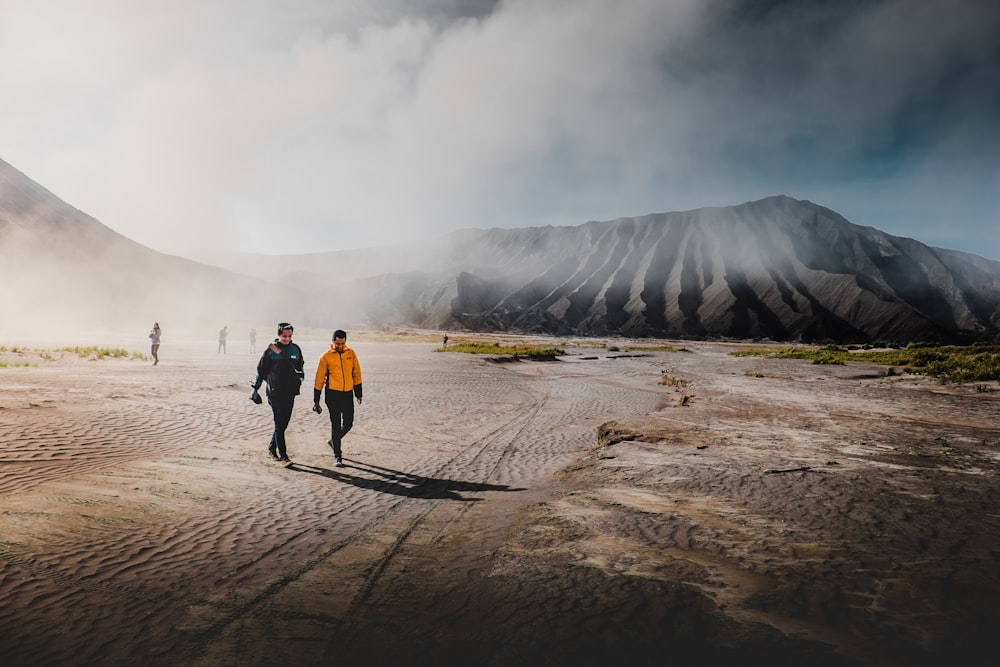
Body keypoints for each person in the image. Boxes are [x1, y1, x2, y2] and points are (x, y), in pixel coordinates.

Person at [251, 322, 305, 465]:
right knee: (279, 423)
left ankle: (271, 448)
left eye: (289, 336)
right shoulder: (271, 351)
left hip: (290, 392)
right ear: (278, 335)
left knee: (283, 424)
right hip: (274, 392)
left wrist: (300, 378)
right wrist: (255, 388)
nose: (286, 338)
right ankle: (284, 457)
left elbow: (300, 367)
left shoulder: (296, 349)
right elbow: (261, 370)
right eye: (284, 336)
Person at [313, 329, 362, 467]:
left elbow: (356, 372)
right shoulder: (326, 357)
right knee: (335, 424)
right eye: (337, 343)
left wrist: (358, 393)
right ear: (332, 341)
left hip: (347, 394)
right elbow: (319, 379)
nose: (340, 346)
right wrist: (316, 399)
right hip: (333, 395)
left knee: (348, 423)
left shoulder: (351, 354)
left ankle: (333, 441)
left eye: (342, 343)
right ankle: (337, 456)